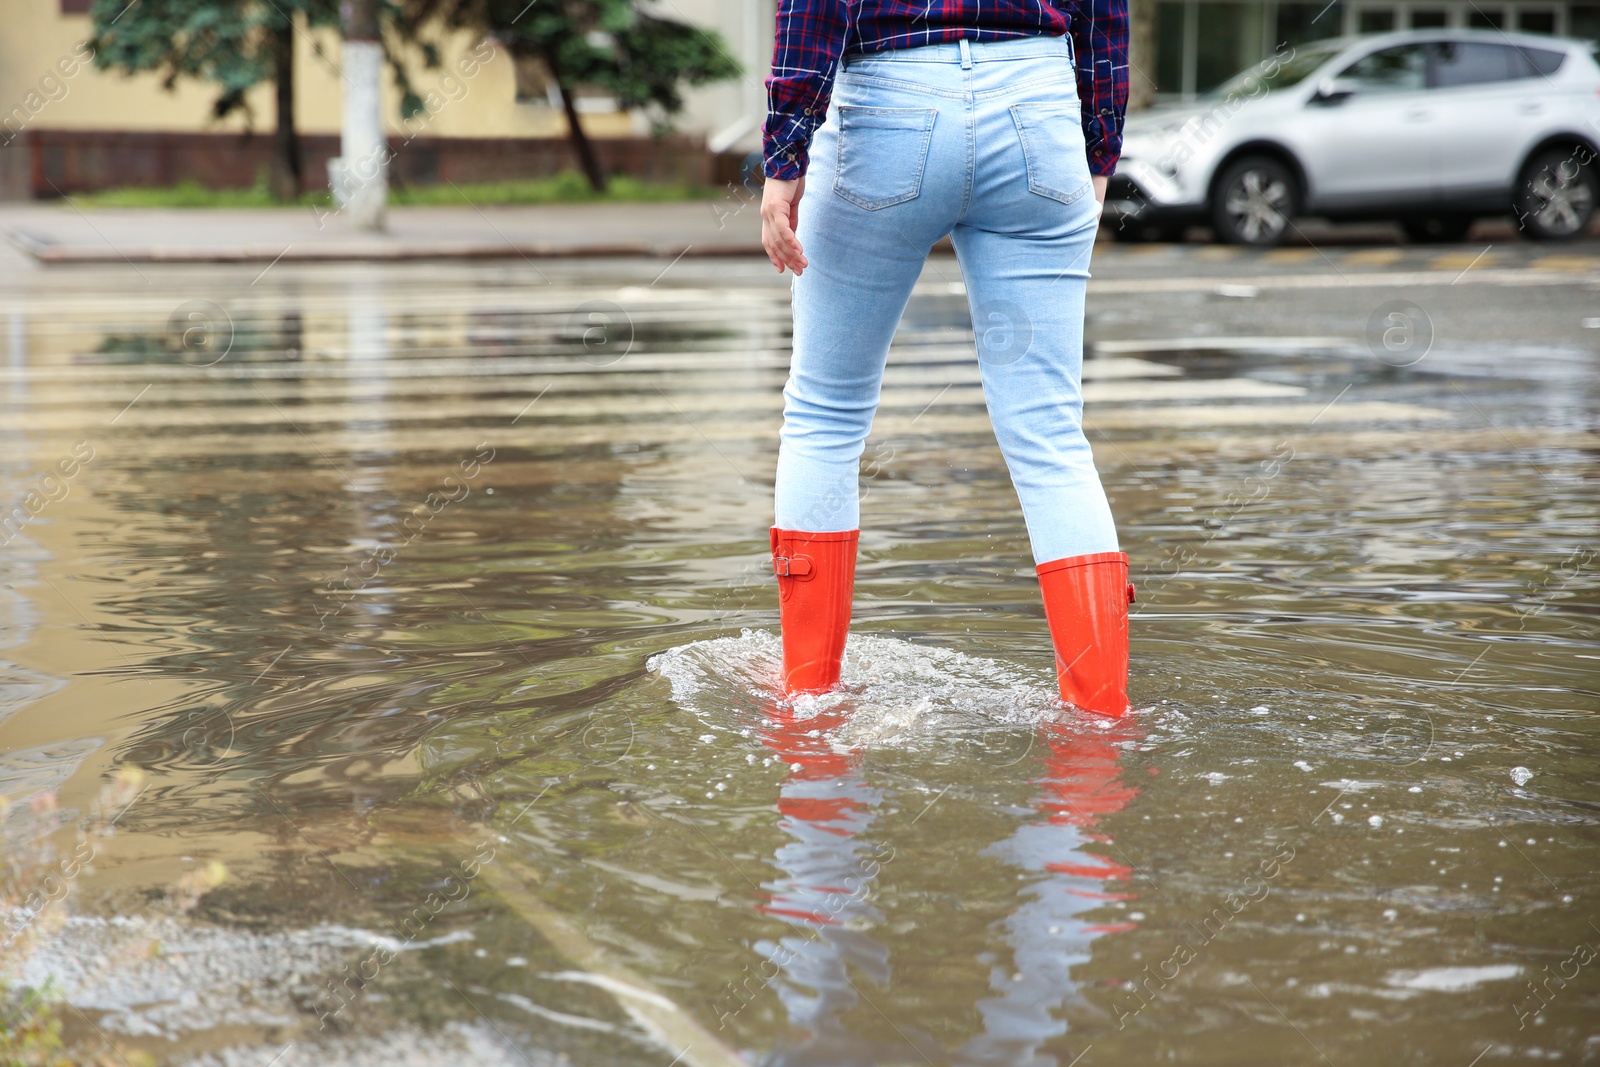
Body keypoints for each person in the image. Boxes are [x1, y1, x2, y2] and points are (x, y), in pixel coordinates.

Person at [759, 0, 1135, 716]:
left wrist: (785, 158)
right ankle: (1100, 714)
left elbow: (813, 8)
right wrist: (1099, 149)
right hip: (1038, 101)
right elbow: (1105, 13)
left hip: (889, 98)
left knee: (826, 414)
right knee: (1051, 435)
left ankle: (808, 699)